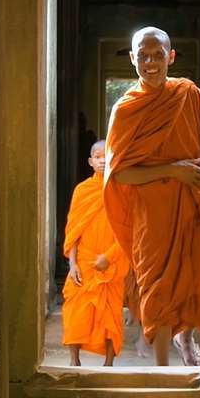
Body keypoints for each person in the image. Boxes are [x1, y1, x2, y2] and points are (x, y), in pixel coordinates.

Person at [104, 26, 200, 366]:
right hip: (153, 211)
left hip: (195, 200)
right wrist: (172, 170)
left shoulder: (188, 94)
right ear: (132, 58)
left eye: (158, 55)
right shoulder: (125, 110)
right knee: (156, 284)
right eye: (143, 56)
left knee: (196, 273)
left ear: (171, 57)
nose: (151, 63)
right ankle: (162, 368)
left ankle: (186, 340)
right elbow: (120, 173)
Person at [62, 140, 130, 366]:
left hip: (111, 261)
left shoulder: (122, 190)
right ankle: (74, 360)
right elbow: (73, 230)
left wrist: (108, 257)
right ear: (91, 162)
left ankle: (109, 363)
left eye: (107, 156)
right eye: (98, 157)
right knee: (75, 310)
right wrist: (72, 264)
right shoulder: (82, 190)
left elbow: (128, 230)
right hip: (84, 261)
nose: (102, 160)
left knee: (110, 313)